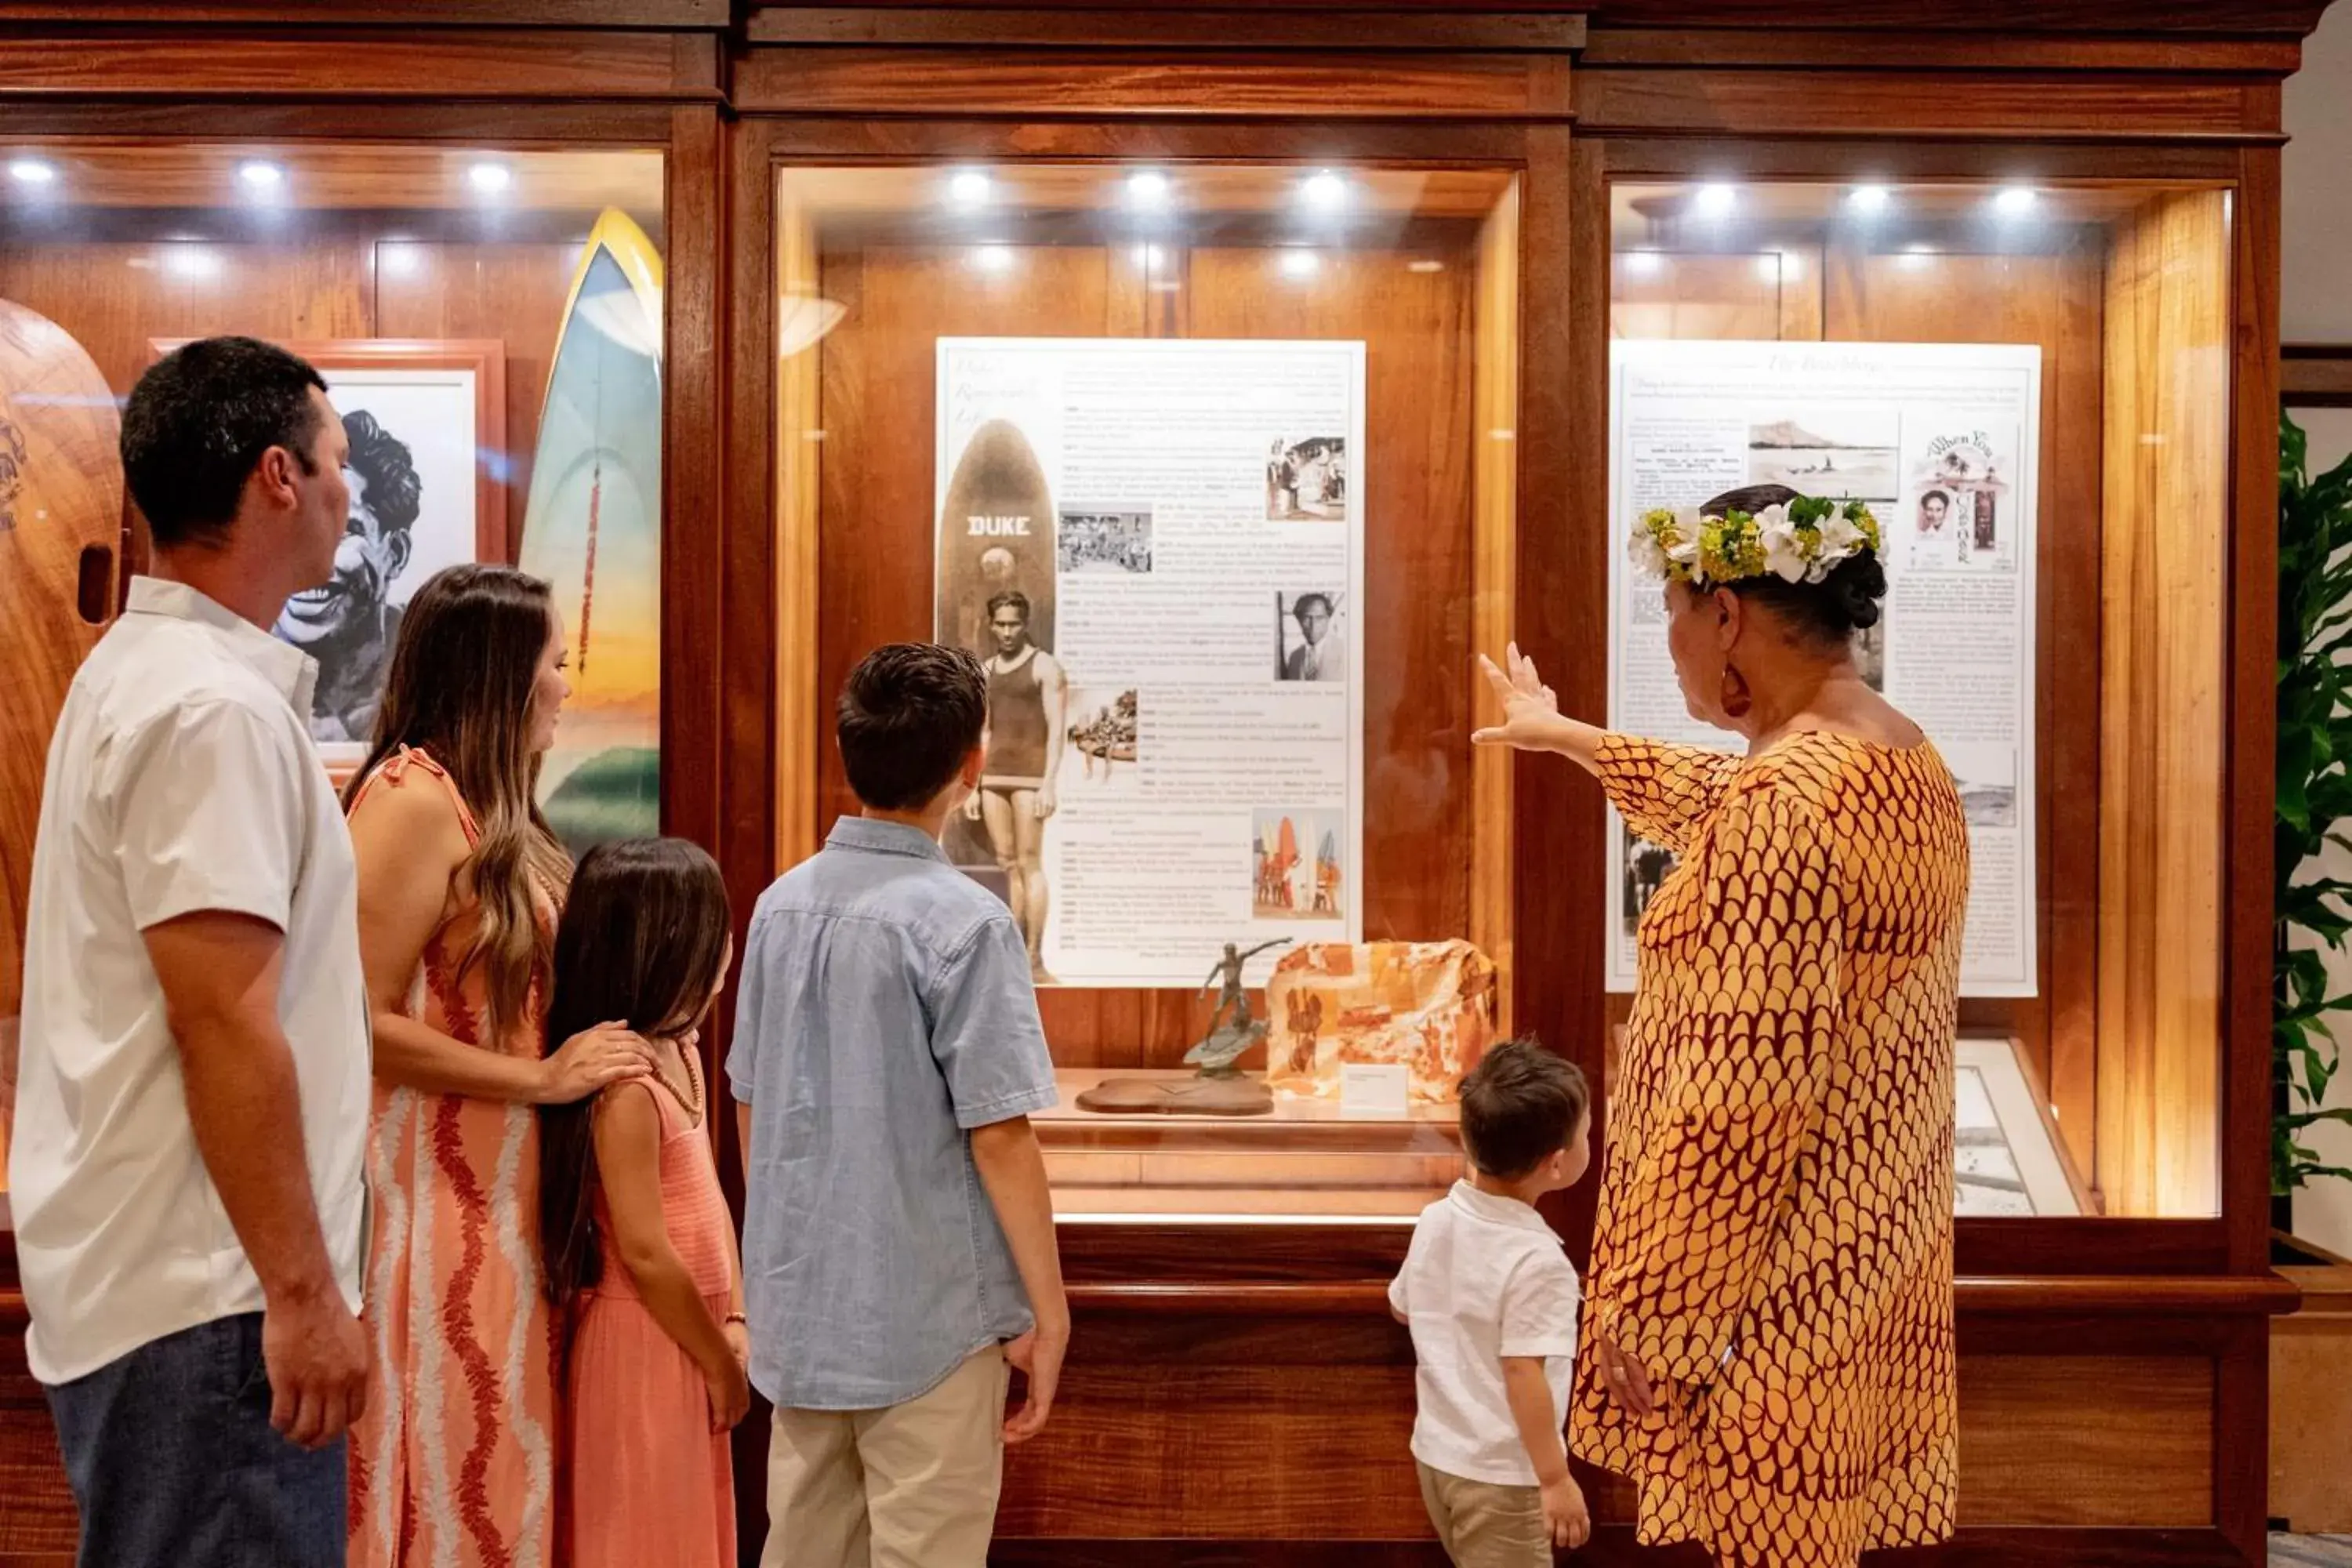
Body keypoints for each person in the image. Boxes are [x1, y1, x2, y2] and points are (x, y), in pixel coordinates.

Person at [1474, 481, 1967, 1566]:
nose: (1675, 645)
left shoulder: (1784, 803)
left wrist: (1652, 1312)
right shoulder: (1904, 761)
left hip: (1769, 1309)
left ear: (1727, 615)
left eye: (1673, 616)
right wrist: (1568, 738)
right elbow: (1725, 800)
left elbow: (1736, 1112)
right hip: (1872, 1271)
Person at [10, 335, 371, 1566]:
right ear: (277, 475)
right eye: (334, 463)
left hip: (183, 1292)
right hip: (211, 1297)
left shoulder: (149, 673)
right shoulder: (206, 706)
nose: (345, 493)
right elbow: (220, 1014)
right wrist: (305, 1293)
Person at [343, 564, 657, 1568]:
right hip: (440, 1198)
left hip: (507, 1195)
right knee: (456, 1475)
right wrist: (543, 1077)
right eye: (554, 662)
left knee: (502, 1480)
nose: (567, 685)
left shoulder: (485, 803)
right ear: (500, 675)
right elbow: (354, 1017)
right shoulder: (411, 798)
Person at [732, 641, 1069, 1568]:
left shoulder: (777, 907)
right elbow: (1001, 1134)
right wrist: (1050, 1311)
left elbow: (751, 1106)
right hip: (931, 1320)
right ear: (971, 768)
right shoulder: (966, 921)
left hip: (803, 1319)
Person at [539, 838, 745, 1568]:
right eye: (711, 928)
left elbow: (714, 1198)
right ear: (666, 946)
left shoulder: (679, 1050)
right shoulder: (627, 1088)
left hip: (696, 1332)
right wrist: (720, 1360)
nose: (727, 944)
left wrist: (739, 1317)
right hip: (646, 1343)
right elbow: (647, 1251)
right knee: (644, 1536)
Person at [1390, 1040, 1593, 1565]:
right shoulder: (1539, 1260)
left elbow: (1402, 1307)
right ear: (1556, 1163)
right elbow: (1522, 1370)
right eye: (1587, 1135)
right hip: (1505, 1475)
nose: (1590, 1142)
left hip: (1438, 1455)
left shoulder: (1437, 1218)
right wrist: (1554, 1479)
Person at [274, 408, 423, 744]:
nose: (307, 557)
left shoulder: (437, 680)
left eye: (341, 530)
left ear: (395, 554)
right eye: (292, 528)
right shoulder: (231, 681)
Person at [966, 590, 1066, 983]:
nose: (1007, 631)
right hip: (994, 776)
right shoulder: (987, 670)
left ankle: (1035, 956)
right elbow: (983, 730)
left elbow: (1057, 729)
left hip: (1029, 776)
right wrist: (974, 785)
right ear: (992, 625)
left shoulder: (1046, 667)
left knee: (1030, 862)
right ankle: (1016, 953)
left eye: (1014, 624)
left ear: (1025, 624)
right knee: (1007, 864)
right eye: (1001, 624)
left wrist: (1049, 784)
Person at [1283, 593, 1345, 683]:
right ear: (1299, 621)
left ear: (1328, 619)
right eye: (1307, 618)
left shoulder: (1345, 652)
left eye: (1319, 618)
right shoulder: (1294, 658)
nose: (1313, 625)